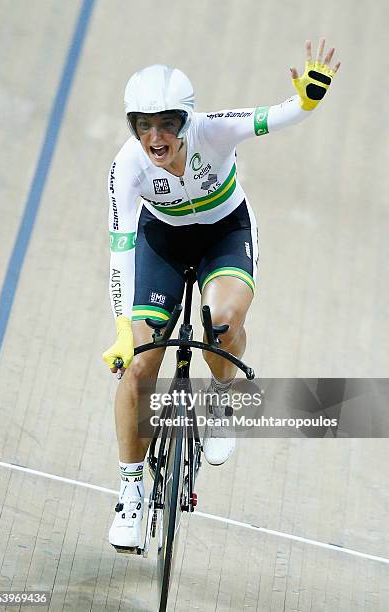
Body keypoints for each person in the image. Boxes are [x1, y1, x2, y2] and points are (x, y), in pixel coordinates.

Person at [102, 38, 340, 550]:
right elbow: (120, 250)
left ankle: (223, 403)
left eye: (166, 122)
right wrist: (123, 331)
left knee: (221, 323)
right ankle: (129, 489)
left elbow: (278, 115)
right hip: (160, 243)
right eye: (144, 125)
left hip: (224, 234)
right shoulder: (126, 167)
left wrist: (307, 100)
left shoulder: (215, 130)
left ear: (187, 121)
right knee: (140, 364)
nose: (156, 136)